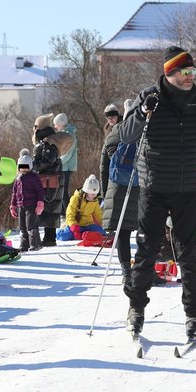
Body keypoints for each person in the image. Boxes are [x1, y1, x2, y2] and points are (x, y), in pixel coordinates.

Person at [118, 46, 196, 340]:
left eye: (193, 72)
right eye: (185, 72)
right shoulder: (149, 98)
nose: (190, 77)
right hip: (155, 186)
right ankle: (136, 309)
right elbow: (125, 134)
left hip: (190, 187)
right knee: (146, 251)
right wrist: (143, 113)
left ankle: (195, 316)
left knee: (189, 254)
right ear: (170, 73)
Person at [102, 99, 143, 288]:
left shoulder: (116, 131)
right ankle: (143, 270)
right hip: (141, 185)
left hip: (118, 186)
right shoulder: (145, 131)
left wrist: (104, 193)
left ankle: (126, 272)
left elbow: (106, 162)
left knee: (122, 232)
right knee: (146, 230)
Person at [31, 114, 74, 247]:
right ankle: (49, 238)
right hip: (51, 180)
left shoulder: (48, 142)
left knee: (49, 208)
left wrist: (33, 165)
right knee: (50, 208)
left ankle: (49, 239)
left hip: (49, 181)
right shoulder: (49, 140)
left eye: (35, 127)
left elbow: (48, 161)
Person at [10, 149, 44, 252]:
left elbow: (40, 191)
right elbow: (14, 193)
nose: (23, 170)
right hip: (21, 206)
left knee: (31, 225)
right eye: (21, 167)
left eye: (26, 167)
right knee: (22, 226)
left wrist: (40, 203)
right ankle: (24, 244)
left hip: (31, 205)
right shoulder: (18, 179)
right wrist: (13, 205)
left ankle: (35, 244)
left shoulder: (34, 177)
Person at [58, 175, 105, 241]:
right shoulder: (75, 199)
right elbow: (70, 214)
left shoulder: (95, 201)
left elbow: (98, 214)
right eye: (92, 194)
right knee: (64, 236)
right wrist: (73, 226)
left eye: (95, 194)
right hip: (75, 225)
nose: (94, 196)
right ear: (86, 192)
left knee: (102, 232)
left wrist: (102, 225)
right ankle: (62, 229)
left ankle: (85, 234)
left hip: (88, 225)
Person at [100, 101, 126, 196]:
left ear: (117, 116)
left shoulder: (122, 124)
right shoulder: (107, 127)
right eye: (108, 118)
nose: (111, 120)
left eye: (113, 117)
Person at [54, 113, 78, 212]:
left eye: (56, 124)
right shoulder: (64, 134)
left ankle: (66, 214)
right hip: (63, 166)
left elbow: (67, 154)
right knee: (60, 191)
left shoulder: (69, 135)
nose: (55, 127)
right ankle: (63, 213)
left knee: (63, 192)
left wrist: (57, 162)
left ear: (61, 124)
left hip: (66, 167)